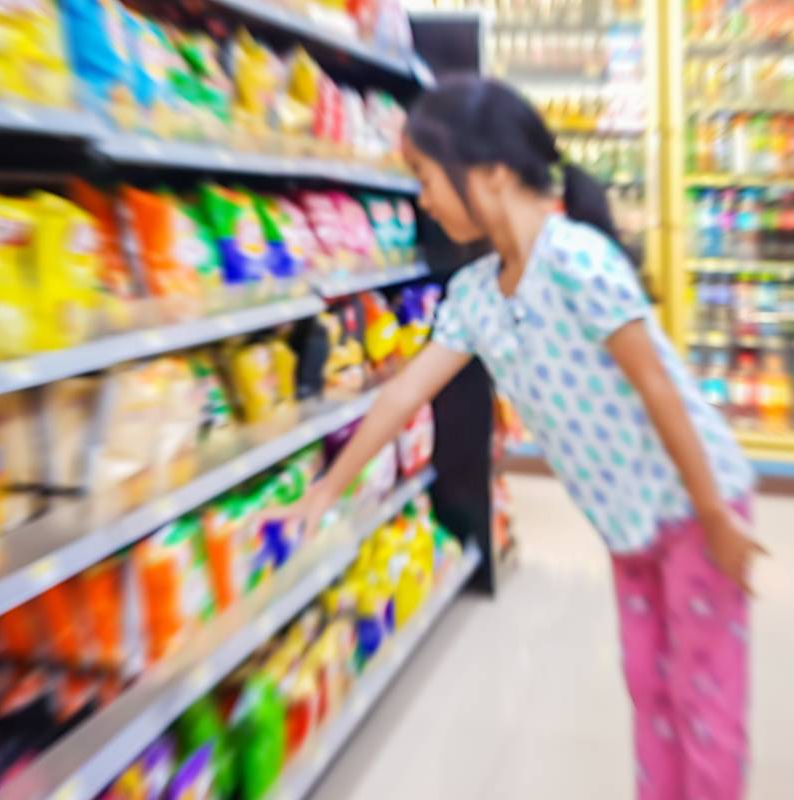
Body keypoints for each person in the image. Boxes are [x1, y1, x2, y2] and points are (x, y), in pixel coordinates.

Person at [289, 76, 763, 799]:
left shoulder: (577, 259)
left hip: (695, 505)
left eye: (425, 176)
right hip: (630, 522)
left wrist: (715, 516)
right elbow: (407, 391)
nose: (423, 198)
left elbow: (658, 389)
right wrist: (328, 486)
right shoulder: (476, 293)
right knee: (649, 684)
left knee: (704, 701)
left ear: (493, 173)